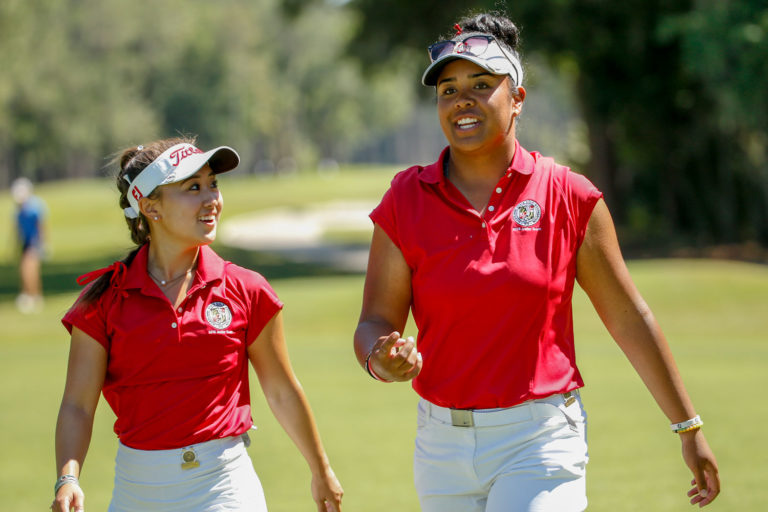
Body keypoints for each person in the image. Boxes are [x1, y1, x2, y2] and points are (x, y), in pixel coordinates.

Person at [353, 12, 719, 512]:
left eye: (481, 84)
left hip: (540, 440)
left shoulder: (569, 194)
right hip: (441, 446)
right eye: (448, 89)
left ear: (518, 98)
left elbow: (629, 316)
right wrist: (382, 359)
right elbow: (376, 319)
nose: (462, 98)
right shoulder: (405, 198)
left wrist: (688, 426)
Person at [53, 137, 343, 512]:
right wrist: (68, 476)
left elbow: (282, 390)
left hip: (223, 487)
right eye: (193, 188)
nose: (212, 199)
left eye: (213, 184)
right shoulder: (103, 300)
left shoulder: (246, 288)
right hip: (137, 492)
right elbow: (78, 404)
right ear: (150, 207)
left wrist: (320, 469)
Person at [11, 176, 47, 313]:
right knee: (24, 269)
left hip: (34, 242)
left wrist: (43, 244)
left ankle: (35, 296)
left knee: (30, 269)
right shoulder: (18, 211)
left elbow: (41, 227)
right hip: (25, 243)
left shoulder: (34, 208)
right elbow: (18, 230)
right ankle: (29, 294)